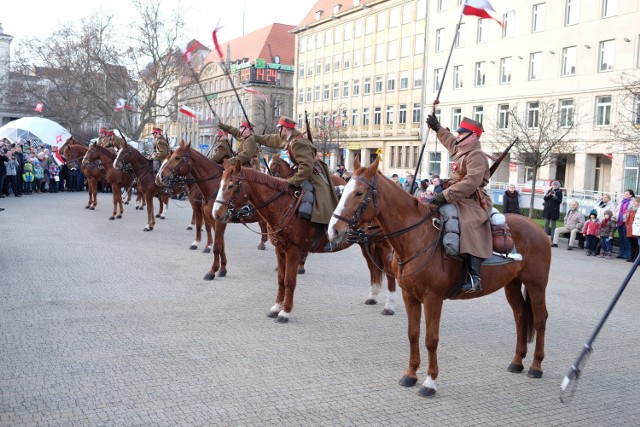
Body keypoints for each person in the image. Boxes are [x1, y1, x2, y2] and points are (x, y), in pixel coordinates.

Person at [426, 114, 492, 293]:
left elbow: (471, 182)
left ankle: (474, 276)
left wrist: (446, 195)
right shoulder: (462, 149)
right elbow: (449, 140)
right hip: (456, 195)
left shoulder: (476, 155)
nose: (457, 136)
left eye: (461, 134)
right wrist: (437, 127)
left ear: (472, 136)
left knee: (468, 223)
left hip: (472, 200)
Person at [252, 116, 338, 228]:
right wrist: (255, 138)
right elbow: (271, 139)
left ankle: (322, 227)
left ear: (285, 129)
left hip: (313, 173)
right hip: (302, 169)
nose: (278, 130)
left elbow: (306, 167)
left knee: (311, 191)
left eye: (280, 128)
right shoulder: (288, 138)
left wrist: (291, 181)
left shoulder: (297, 143)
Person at [613, 189, 635, 260]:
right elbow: (617, 210)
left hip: (627, 222)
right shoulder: (621, 201)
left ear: (631, 195)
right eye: (624, 194)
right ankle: (621, 253)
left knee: (627, 239)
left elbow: (634, 210)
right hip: (620, 221)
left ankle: (627, 254)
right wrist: (615, 216)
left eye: (626, 194)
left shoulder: (632, 202)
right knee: (621, 238)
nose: (625, 195)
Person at [624, 196, 640, 262]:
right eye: (633, 201)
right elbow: (628, 219)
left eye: (635, 201)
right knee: (632, 244)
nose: (634, 203)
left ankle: (636, 259)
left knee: (637, 245)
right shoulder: (631, 210)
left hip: (636, 229)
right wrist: (627, 225)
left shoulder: (638, 211)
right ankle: (632, 257)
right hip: (630, 229)